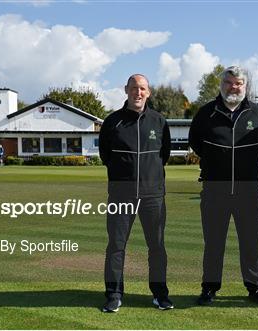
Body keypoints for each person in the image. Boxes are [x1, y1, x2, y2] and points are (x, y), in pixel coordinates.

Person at [188, 66, 258, 306]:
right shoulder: (206, 113)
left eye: (238, 83)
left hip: (248, 192)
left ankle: (255, 288)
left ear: (245, 86)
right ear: (221, 84)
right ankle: (210, 287)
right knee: (214, 243)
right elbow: (196, 143)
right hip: (215, 191)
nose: (233, 87)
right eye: (228, 82)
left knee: (250, 243)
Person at [98, 74, 173, 312]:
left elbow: (165, 155)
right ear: (126, 90)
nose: (137, 93)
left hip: (153, 196)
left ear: (148, 92)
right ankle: (114, 294)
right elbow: (105, 156)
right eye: (133, 88)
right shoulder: (113, 122)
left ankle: (160, 294)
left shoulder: (159, 122)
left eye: (142, 89)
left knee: (157, 247)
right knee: (116, 246)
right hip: (121, 196)